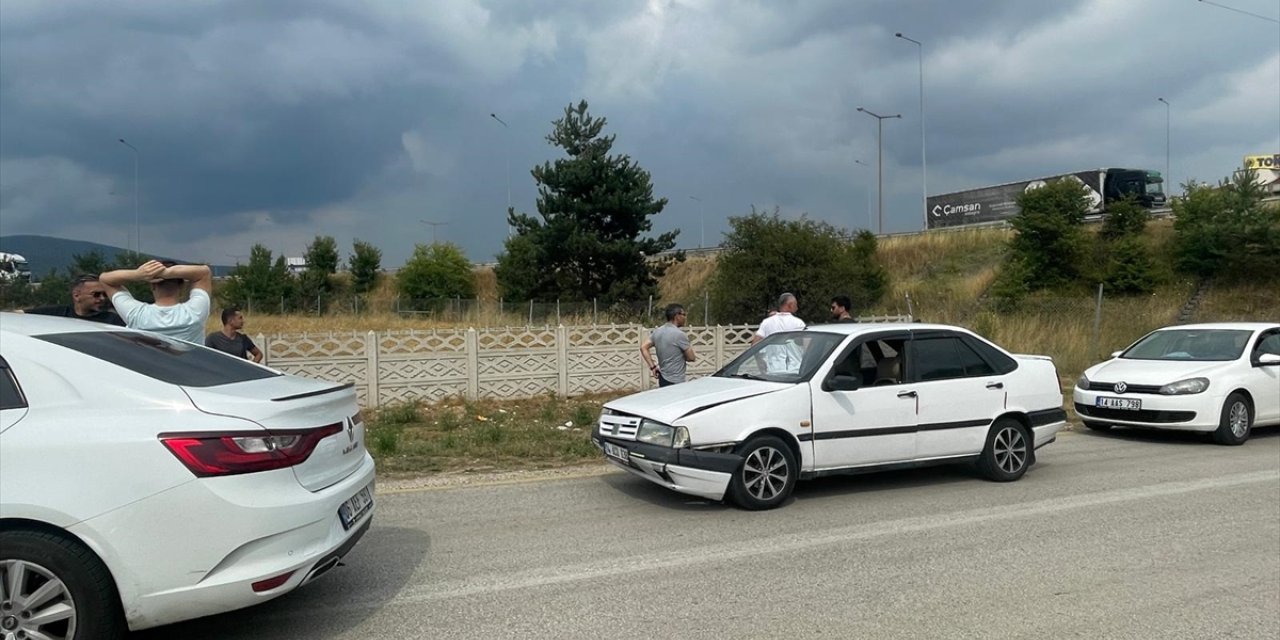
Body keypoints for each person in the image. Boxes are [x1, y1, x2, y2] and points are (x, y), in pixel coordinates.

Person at [100, 259, 213, 344]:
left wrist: (138, 274)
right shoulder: (195, 313)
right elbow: (204, 272)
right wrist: (167, 273)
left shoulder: (137, 314)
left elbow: (105, 279)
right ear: (181, 286)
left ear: (152, 286)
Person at [21, 274, 125, 325]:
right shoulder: (58, 313)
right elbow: (18, 315)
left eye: (105, 294)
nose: (102, 298)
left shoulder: (114, 320)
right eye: (96, 294)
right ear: (76, 296)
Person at [641, 303, 695, 387]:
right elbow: (691, 358)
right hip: (676, 381)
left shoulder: (657, 332)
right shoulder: (680, 335)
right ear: (677, 316)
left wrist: (653, 367)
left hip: (662, 378)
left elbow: (643, 347)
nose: (685, 318)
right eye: (684, 315)